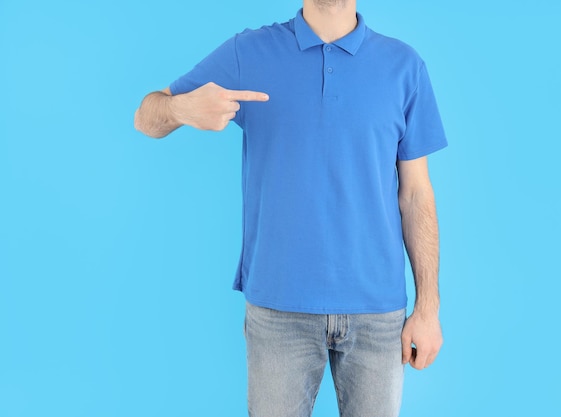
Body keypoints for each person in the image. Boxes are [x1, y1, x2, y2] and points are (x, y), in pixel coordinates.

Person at [134, 0, 447, 416]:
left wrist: (428, 308)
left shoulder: (404, 66)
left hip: (378, 314)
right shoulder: (248, 53)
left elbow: (416, 194)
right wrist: (179, 109)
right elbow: (146, 116)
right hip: (278, 311)